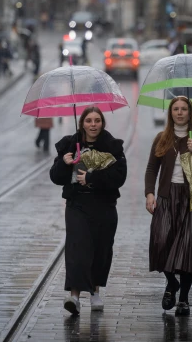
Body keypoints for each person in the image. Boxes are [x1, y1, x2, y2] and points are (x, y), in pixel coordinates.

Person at [49, 107, 127, 315]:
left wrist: (91, 178)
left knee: (100, 250)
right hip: (77, 205)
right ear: (82, 123)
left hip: (104, 206)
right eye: (89, 120)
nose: (93, 124)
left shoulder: (112, 146)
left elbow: (120, 176)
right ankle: (74, 296)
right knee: (77, 249)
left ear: (102, 123)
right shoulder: (69, 144)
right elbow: (56, 177)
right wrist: (65, 164)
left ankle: (95, 292)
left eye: (97, 121)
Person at [145, 96, 192, 316]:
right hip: (166, 196)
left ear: (190, 112)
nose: (180, 113)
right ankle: (171, 283)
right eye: (176, 109)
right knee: (160, 242)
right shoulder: (162, 138)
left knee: (188, 249)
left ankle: (183, 300)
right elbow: (151, 169)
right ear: (170, 112)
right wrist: (150, 193)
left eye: (184, 109)